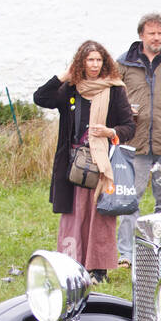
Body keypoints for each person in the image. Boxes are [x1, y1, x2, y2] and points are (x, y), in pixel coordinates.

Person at [35, 41, 135, 282]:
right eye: (89, 60)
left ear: (105, 63)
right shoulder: (71, 88)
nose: (94, 65)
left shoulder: (114, 89)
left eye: (98, 60)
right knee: (74, 215)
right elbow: (41, 97)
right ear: (81, 62)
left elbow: (129, 127)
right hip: (73, 164)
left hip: (102, 165)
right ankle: (71, 264)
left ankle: (98, 269)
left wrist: (110, 132)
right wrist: (64, 76)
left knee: (100, 216)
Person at [116, 12, 161, 265]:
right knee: (129, 200)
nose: (156, 38)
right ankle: (127, 253)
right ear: (141, 35)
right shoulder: (124, 63)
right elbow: (115, 99)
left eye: (160, 33)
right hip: (133, 145)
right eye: (152, 33)